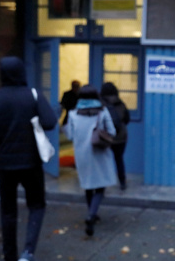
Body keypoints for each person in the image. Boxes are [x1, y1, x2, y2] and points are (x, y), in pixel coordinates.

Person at [0, 56, 57, 261]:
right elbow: (50, 122)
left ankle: (10, 256)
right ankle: (28, 252)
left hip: (5, 165)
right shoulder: (32, 95)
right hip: (31, 163)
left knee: (8, 212)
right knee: (37, 205)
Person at [66, 84, 117, 236]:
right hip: (99, 152)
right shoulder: (102, 112)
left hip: (82, 154)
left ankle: (91, 213)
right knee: (100, 186)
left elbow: (69, 135)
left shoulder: (73, 114)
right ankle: (91, 215)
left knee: (88, 185)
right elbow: (112, 131)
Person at [100, 82, 130, 190]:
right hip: (121, 136)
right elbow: (127, 119)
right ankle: (122, 182)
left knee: (104, 160)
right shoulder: (121, 103)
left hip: (105, 137)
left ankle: (102, 185)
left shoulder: (101, 104)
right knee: (119, 159)